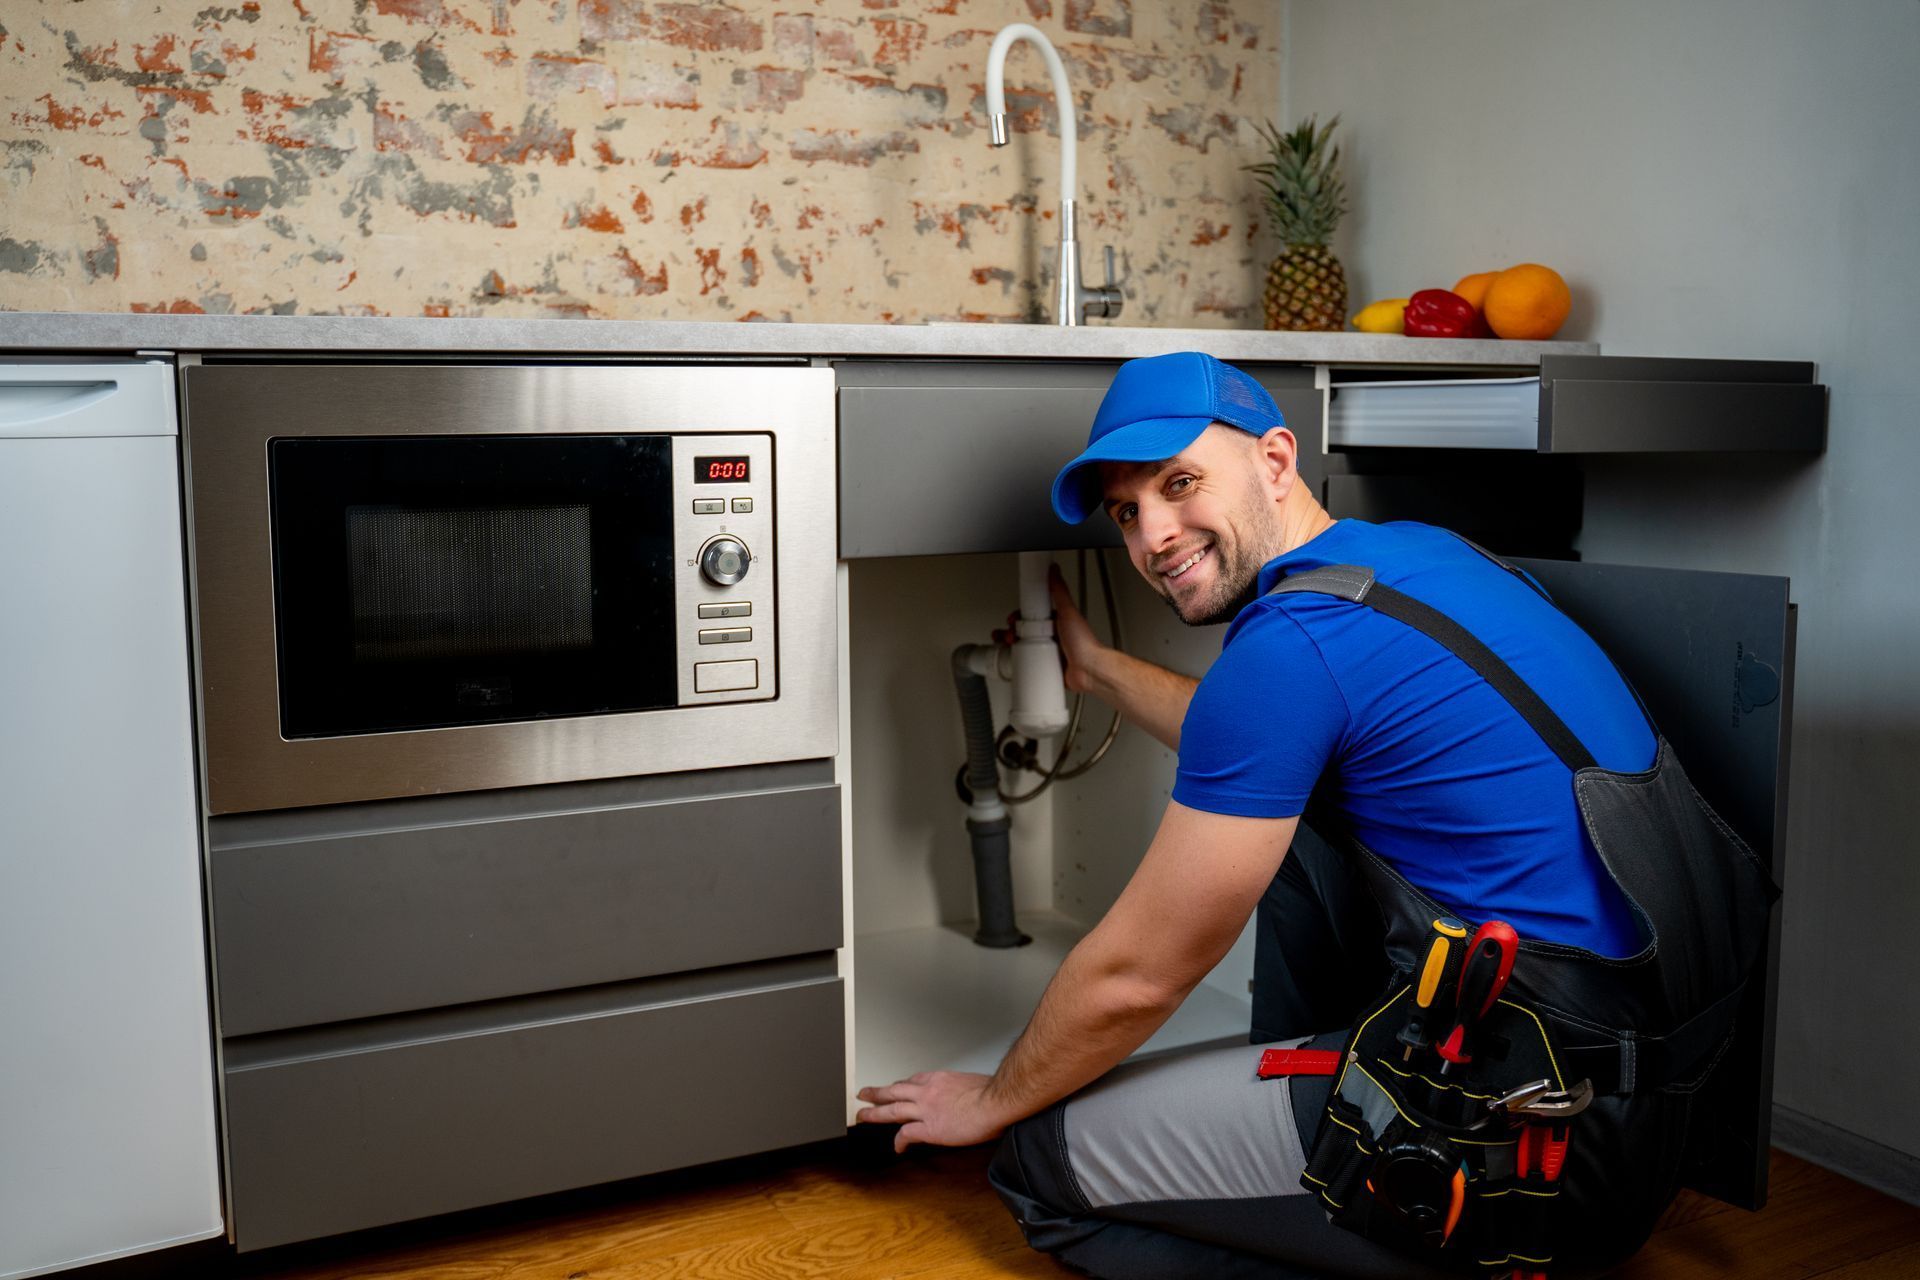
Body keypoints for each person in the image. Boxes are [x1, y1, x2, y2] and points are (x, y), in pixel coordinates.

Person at [855, 352, 1771, 1278]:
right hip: (1662, 1098)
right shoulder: (1416, 556)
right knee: (1300, 828)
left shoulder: (1288, 646)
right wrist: (1096, 669)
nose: (1153, 537)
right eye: (1127, 513)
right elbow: (1253, 741)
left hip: (1528, 1140)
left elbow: (1138, 976)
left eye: (1179, 484)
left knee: (1039, 1163)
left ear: (1277, 460)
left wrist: (995, 1099)